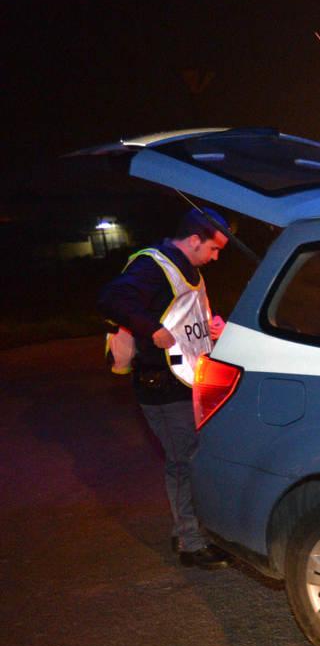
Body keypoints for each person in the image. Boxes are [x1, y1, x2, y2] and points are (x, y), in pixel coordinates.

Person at [97, 207, 231, 570]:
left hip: (190, 380)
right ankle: (190, 541)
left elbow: (187, 319)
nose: (216, 257)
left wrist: (211, 326)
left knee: (192, 458)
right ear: (193, 240)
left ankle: (190, 529)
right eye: (213, 249)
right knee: (184, 461)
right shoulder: (153, 266)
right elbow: (111, 299)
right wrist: (150, 329)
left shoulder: (189, 271)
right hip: (162, 386)